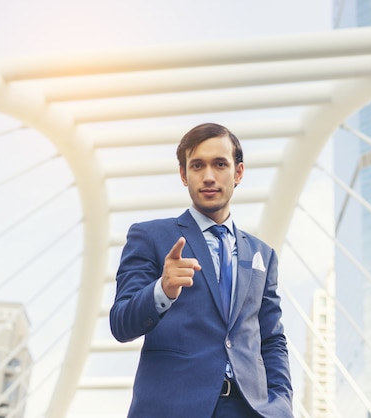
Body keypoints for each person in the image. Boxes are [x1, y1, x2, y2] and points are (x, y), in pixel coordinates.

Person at [110, 122, 293, 418]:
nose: (209, 176)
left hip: (250, 409)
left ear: (238, 173)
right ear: (184, 175)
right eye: (197, 165)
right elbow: (120, 323)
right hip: (172, 407)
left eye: (220, 164)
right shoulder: (149, 237)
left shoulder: (263, 255)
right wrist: (162, 290)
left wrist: (281, 406)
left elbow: (272, 339)